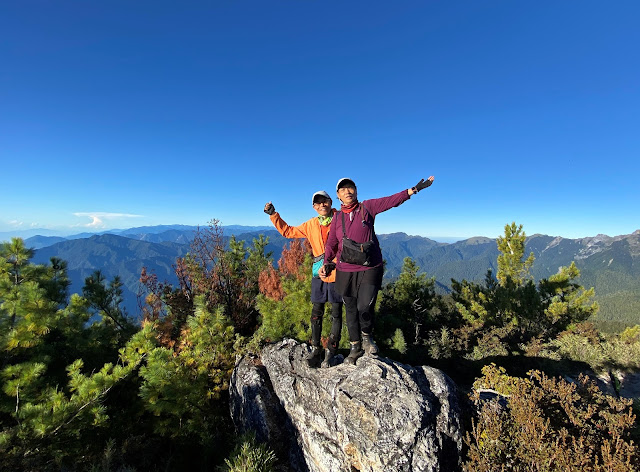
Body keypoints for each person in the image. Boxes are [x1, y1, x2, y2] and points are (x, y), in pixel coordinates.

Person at [320, 176, 435, 365]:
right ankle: (355, 347)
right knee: (350, 309)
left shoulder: (367, 208)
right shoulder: (337, 218)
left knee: (364, 306)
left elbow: (390, 201)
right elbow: (332, 243)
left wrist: (413, 190)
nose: (348, 191)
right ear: (338, 196)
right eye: (343, 189)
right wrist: (326, 262)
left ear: (356, 191)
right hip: (345, 269)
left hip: (370, 266)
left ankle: (367, 337)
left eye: (351, 188)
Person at [264, 191, 343, 368]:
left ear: (331, 202)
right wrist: (273, 215)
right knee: (317, 313)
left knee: (336, 313)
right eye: (318, 203)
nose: (322, 205)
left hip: (338, 271)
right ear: (314, 207)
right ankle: (316, 350)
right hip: (318, 272)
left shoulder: (341, 218)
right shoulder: (311, 224)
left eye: (325, 201)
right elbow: (288, 231)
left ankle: (331, 352)